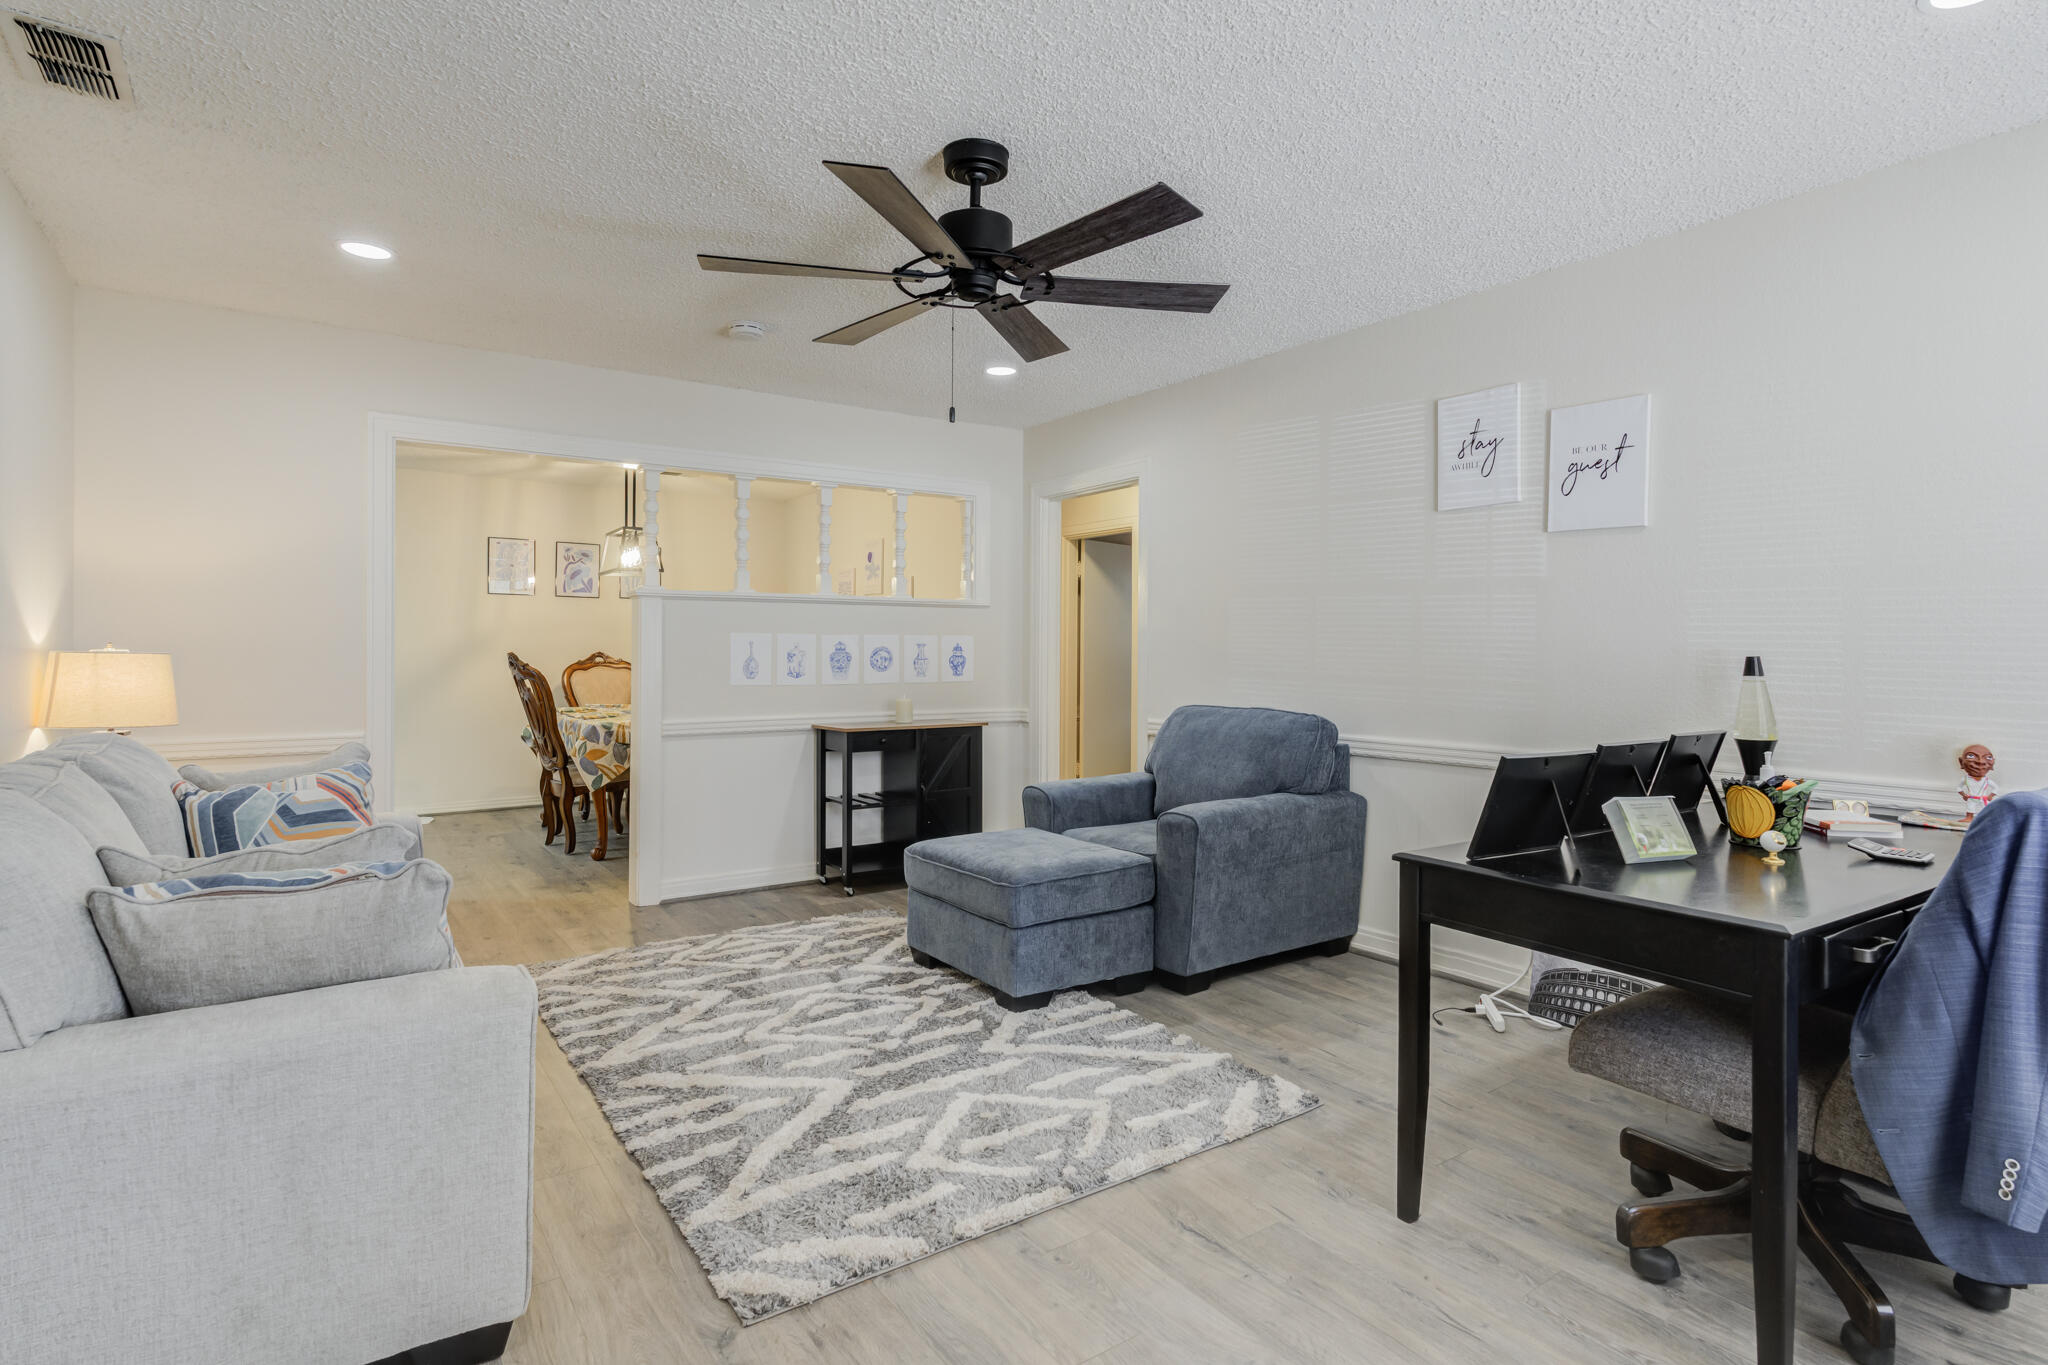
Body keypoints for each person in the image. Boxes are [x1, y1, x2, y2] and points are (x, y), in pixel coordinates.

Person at [1958, 744, 1999, 821]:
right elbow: (1959, 788)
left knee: (1986, 808)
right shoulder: (1965, 779)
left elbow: (1996, 788)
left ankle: (1987, 818)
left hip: (1983, 799)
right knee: (1970, 807)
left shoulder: (1987, 780)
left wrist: (1990, 796)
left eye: (1988, 757)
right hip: (1971, 798)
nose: (1980, 762)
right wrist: (1964, 795)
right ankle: (1969, 817)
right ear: (1961, 762)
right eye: (1971, 756)